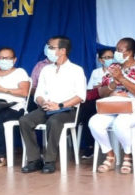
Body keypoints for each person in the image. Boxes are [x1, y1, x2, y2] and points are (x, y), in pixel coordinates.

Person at [19, 36, 87, 174]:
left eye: (51, 47)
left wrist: (60, 105)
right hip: (46, 108)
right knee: (25, 120)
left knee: (54, 121)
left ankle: (49, 161)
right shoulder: (46, 69)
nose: (48, 50)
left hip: (67, 109)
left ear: (62, 50)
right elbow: (38, 94)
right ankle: (34, 160)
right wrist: (43, 102)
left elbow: (80, 96)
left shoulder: (76, 70)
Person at [89, 38, 135, 174]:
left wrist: (122, 79)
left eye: (119, 50)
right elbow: (101, 92)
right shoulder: (113, 68)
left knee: (120, 123)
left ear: (130, 52)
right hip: (114, 107)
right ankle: (110, 155)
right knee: (94, 122)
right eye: (116, 49)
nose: (116, 53)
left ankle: (128, 155)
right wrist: (112, 87)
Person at [77, 48, 115, 158]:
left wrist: (102, 88)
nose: (109, 60)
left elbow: (113, 88)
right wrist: (100, 88)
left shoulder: (116, 71)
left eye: (111, 57)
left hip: (109, 100)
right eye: (106, 57)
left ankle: (90, 146)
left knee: (87, 111)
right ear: (100, 60)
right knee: (86, 110)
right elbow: (89, 89)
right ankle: (90, 146)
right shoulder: (95, 72)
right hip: (95, 100)